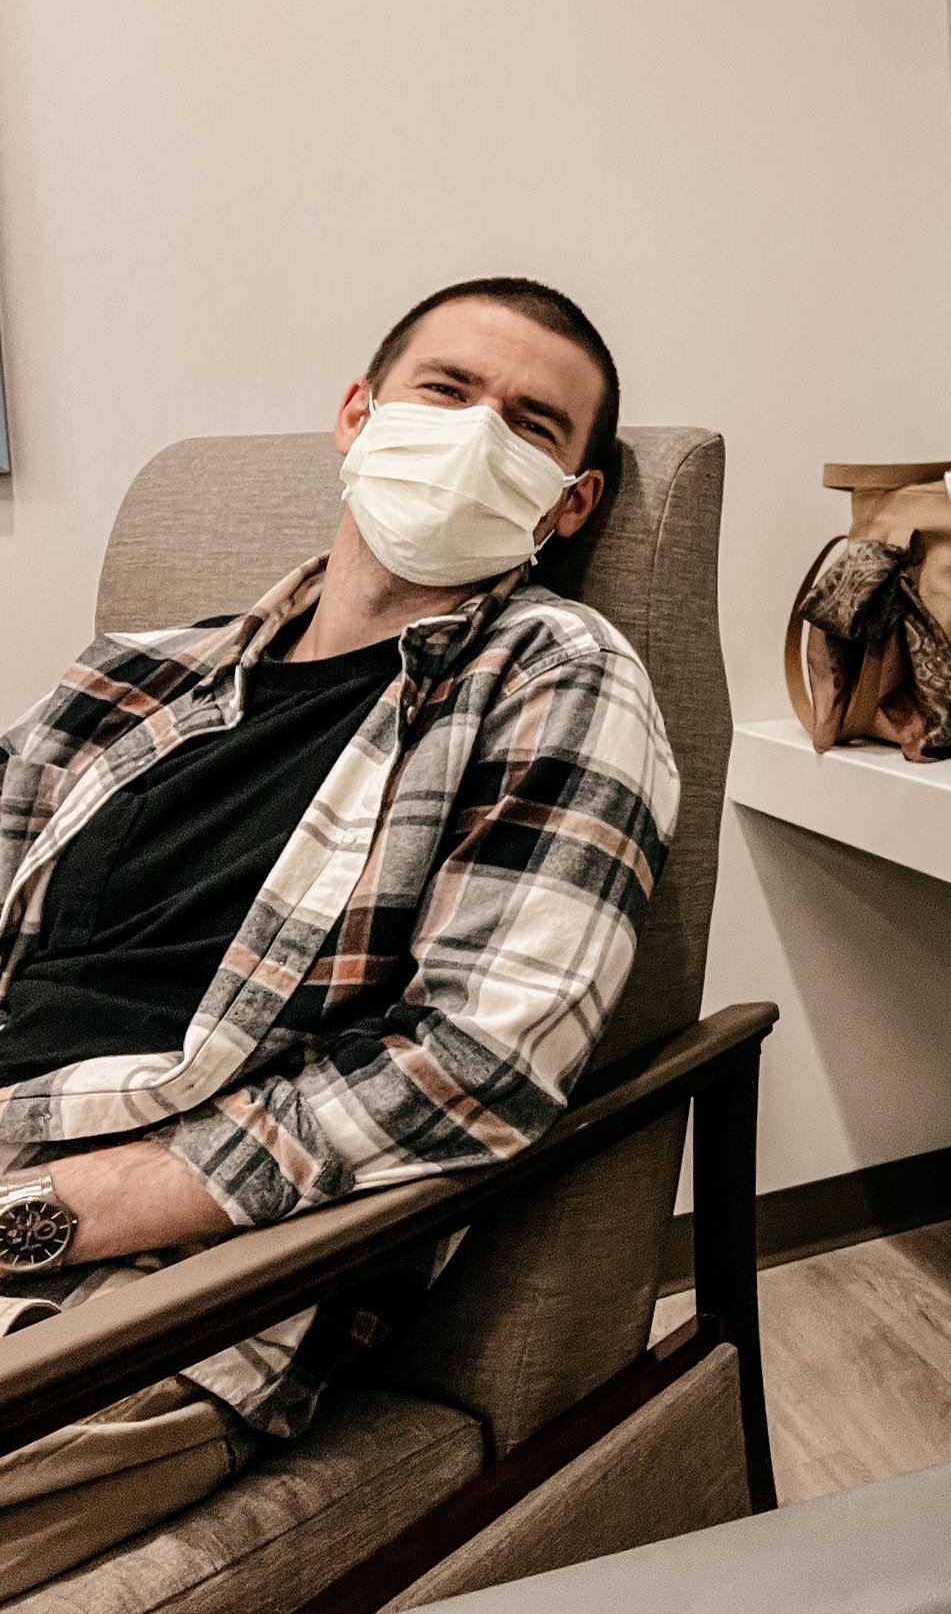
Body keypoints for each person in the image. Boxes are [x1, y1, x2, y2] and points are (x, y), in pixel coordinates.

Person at [0, 277, 678, 1591]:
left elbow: (476, 1062)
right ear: (359, 416)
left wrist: (40, 1214)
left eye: (534, 427)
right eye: (446, 391)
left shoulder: (554, 675)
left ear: (572, 502)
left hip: (141, 1278)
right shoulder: (118, 682)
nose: (480, 435)